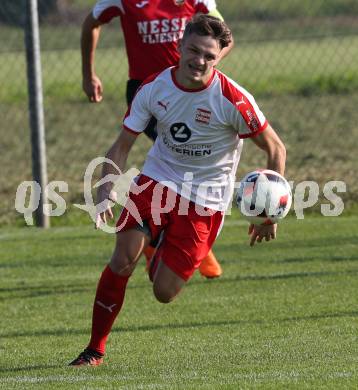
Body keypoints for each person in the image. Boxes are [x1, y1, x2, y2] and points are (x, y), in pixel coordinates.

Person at [69, 15, 286, 366]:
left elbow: (276, 149)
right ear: (180, 47)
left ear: (219, 58)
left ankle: (158, 248)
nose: (199, 60)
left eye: (209, 56)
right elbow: (123, 144)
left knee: (164, 293)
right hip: (159, 180)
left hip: (206, 200)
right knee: (122, 259)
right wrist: (107, 186)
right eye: (194, 51)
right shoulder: (155, 88)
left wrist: (269, 212)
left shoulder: (232, 98)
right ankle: (94, 349)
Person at [81, 0, 233, 278]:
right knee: (174, 160)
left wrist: (207, 68)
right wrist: (87, 73)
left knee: (182, 163)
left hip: (191, 93)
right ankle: (161, 239)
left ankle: (166, 240)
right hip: (150, 90)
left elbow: (224, 35)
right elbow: (91, 22)